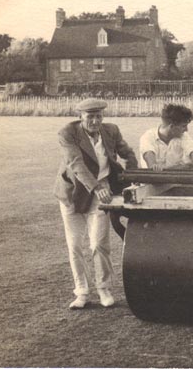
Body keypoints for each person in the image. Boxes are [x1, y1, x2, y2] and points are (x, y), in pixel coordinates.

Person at [54, 98, 137, 309]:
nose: (95, 121)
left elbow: (127, 153)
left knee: (99, 243)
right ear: (80, 116)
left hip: (102, 194)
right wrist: (97, 187)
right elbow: (76, 164)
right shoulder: (67, 133)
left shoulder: (111, 130)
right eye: (90, 116)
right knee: (75, 246)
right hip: (73, 194)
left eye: (98, 116)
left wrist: (132, 176)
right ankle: (81, 292)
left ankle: (104, 288)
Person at [139, 103, 193, 171]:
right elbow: (150, 160)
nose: (186, 130)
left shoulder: (183, 136)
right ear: (172, 126)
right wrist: (154, 166)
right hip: (151, 180)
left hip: (174, 179)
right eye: (183, 126)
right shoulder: (148, 137)